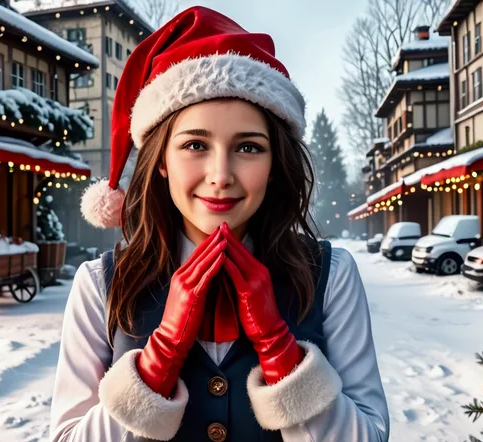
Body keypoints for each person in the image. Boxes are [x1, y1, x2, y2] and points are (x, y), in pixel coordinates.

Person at [50, 6, 389, 442]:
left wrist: (281, 351)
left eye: (248, 147)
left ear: (275, 164)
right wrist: (158, 359)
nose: (221, 174)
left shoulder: (332, 275)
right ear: (161, 164)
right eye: (194, 144)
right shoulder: (100, 283)